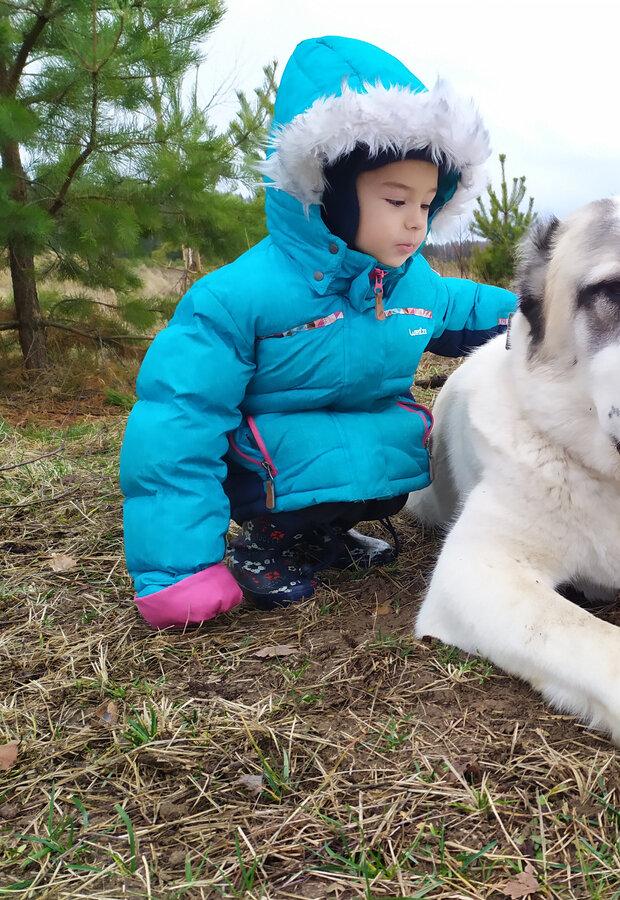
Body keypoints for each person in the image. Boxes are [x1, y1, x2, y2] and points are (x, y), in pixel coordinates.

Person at [120, 35, 516, 629]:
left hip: (346, 450)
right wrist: (178, 571)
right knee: (322, 448)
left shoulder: (412, 284)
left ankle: (323, 533)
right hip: (263, 466)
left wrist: (546, 310)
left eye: (428, 203)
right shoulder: (237, 297)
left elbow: (470, 308)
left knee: (391, 444)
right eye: (395, 198)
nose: (416, 221)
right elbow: (176, 420)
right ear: (327, 190)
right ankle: (266, 543)